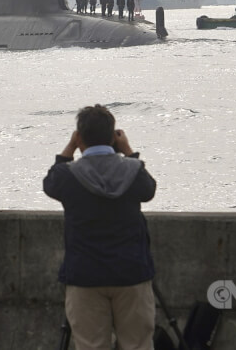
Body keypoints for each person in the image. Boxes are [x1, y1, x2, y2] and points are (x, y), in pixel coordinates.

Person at [43, 104, 156, 350]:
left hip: (85, 275)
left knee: (91, 345)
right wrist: (129, 152)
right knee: (138, 345)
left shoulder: (67, 176)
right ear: (112, 136)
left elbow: (50, 183)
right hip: (131, 272)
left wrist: (69, 148)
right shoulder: (133, 171)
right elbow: (148, 190)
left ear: (80, 137)